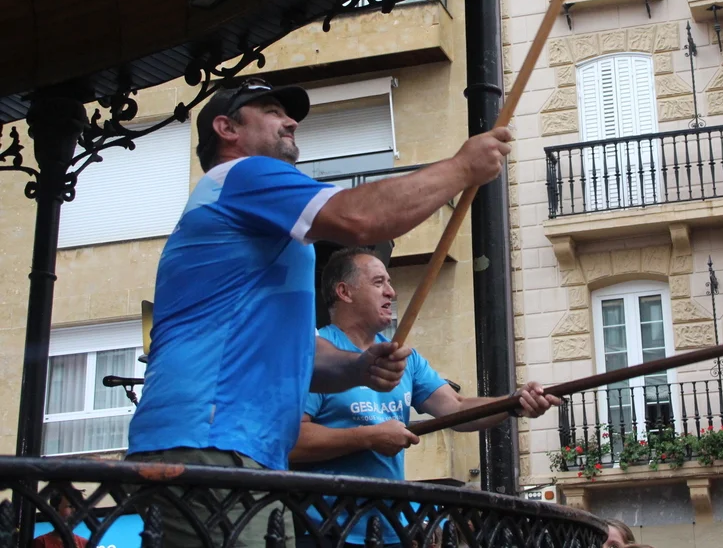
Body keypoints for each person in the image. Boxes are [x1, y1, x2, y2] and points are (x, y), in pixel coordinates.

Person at [125, 79, 513, 547]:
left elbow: (303, 357)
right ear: (227, 129)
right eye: (272, 111)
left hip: (241, 450)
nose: (290, 121)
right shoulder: (241, 176)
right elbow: (359, 219)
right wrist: (462, 168)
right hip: (209, 439)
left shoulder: (258, 225)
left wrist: (358, 367)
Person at [290, 247, 562, 545]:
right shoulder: (316, 356)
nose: (391, 292)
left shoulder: (406, 359)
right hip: (325, 530)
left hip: (389, 531)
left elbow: (456, 407)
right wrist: (368, 437)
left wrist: (514, 403)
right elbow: (292, 441)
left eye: (390, 282)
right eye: (379, 282)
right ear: (344, 292)